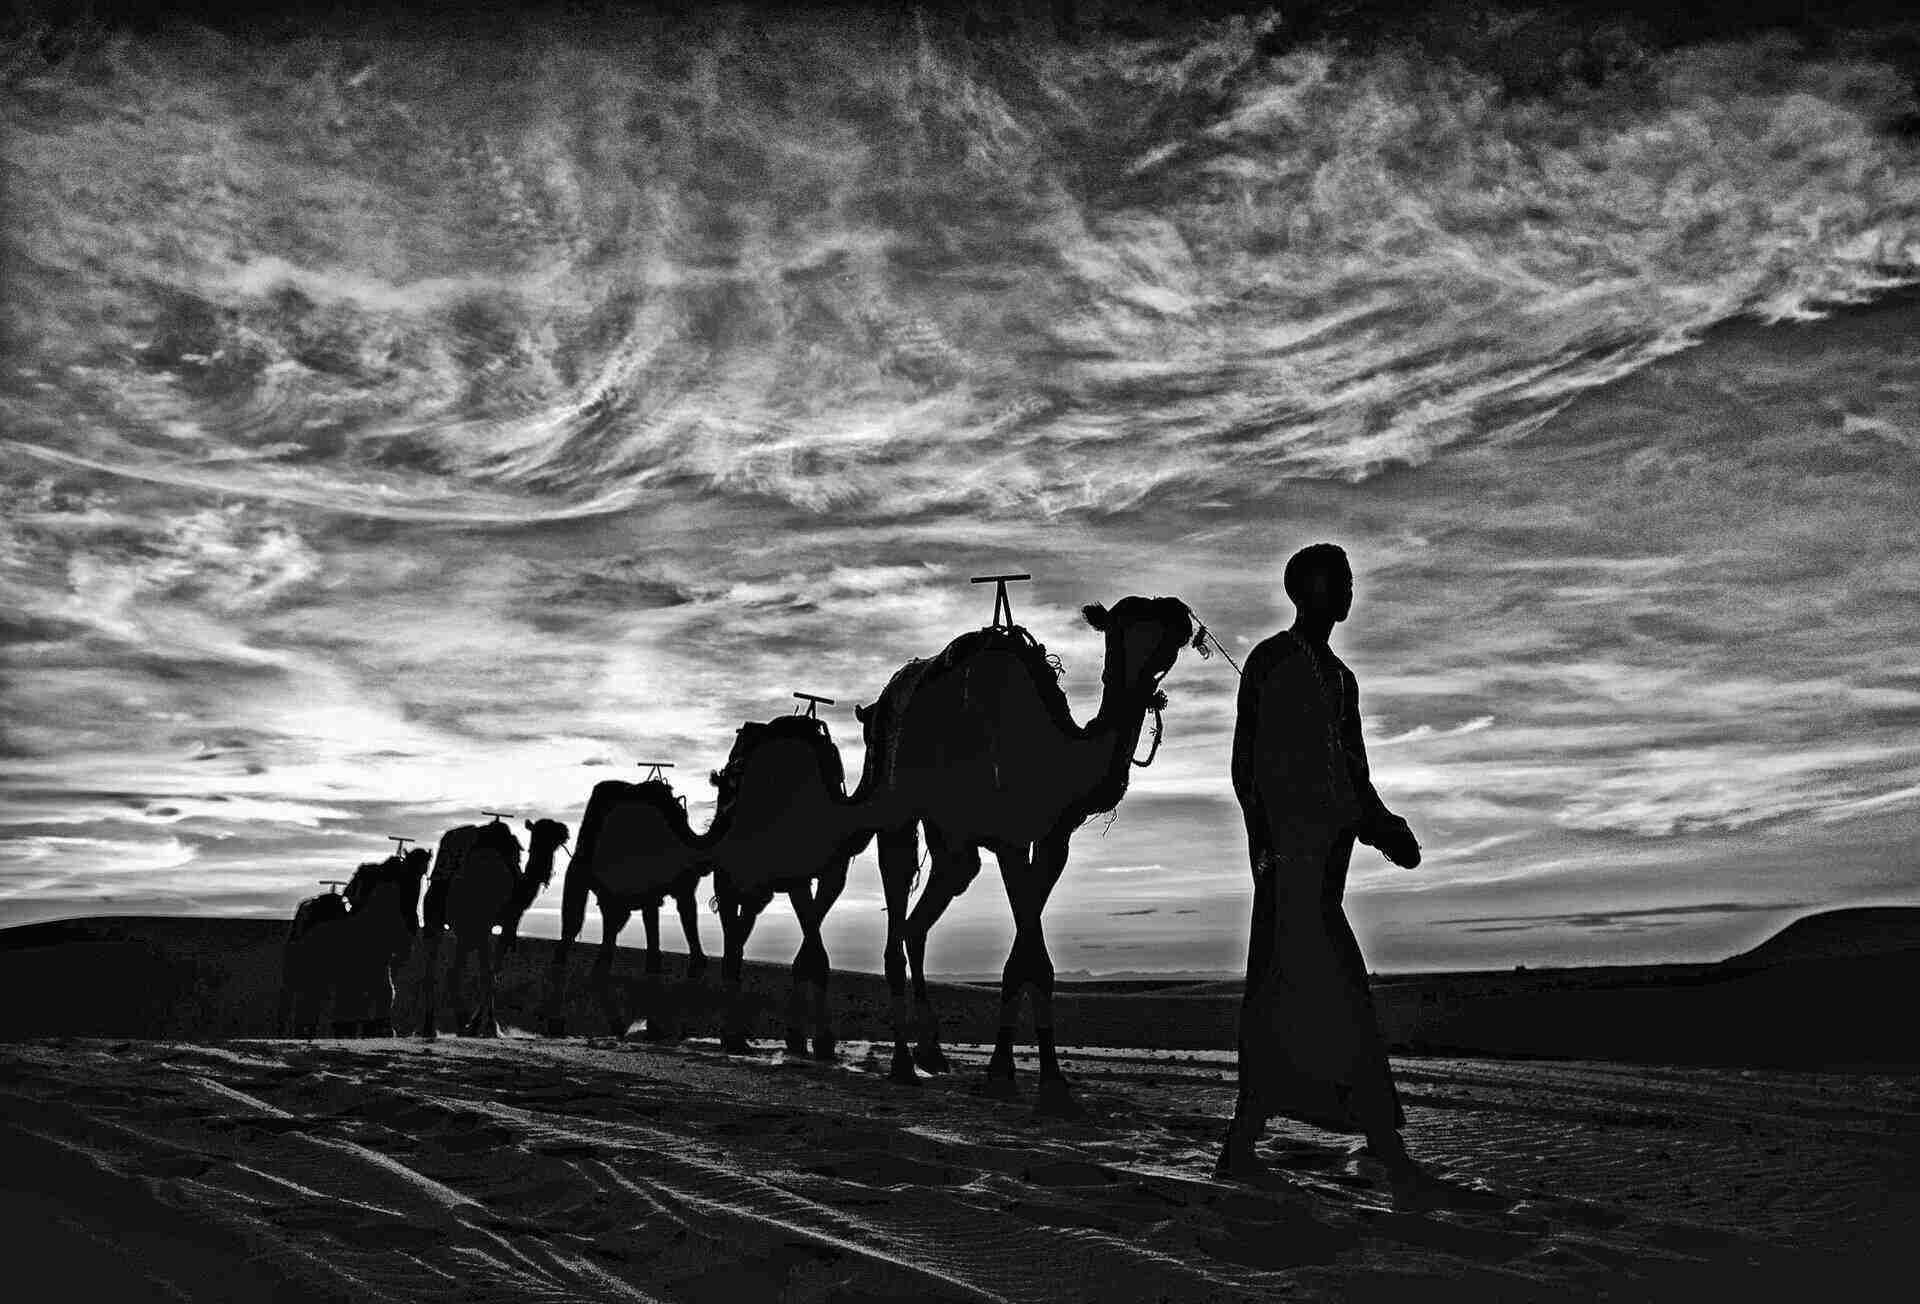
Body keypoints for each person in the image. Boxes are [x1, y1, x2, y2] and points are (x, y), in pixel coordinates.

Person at [1216, 542, 1425, 1189]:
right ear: (1308, 588)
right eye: (1341, 580)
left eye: (1350, 581)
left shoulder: (1342, 680)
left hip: (1325, 873)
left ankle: (1251, 1138)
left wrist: (1384, 828)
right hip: (1286, 871)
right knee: (1315, 996)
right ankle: (1376, 1140)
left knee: (1311, 997)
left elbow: (1354, 777)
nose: (1350, 591)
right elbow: (1246, 768)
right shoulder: (1273, 661)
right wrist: (1265, 850)